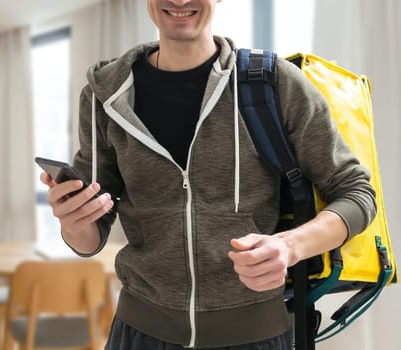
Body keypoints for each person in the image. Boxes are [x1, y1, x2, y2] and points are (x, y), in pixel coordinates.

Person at [39, 0, 377, 349]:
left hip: (255, 335)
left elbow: (356, 193)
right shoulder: (103, 97)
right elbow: (90, 237)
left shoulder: (272, 83)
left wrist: (288, 247)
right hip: (139, 334)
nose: (180, 1)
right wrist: (73, 224)